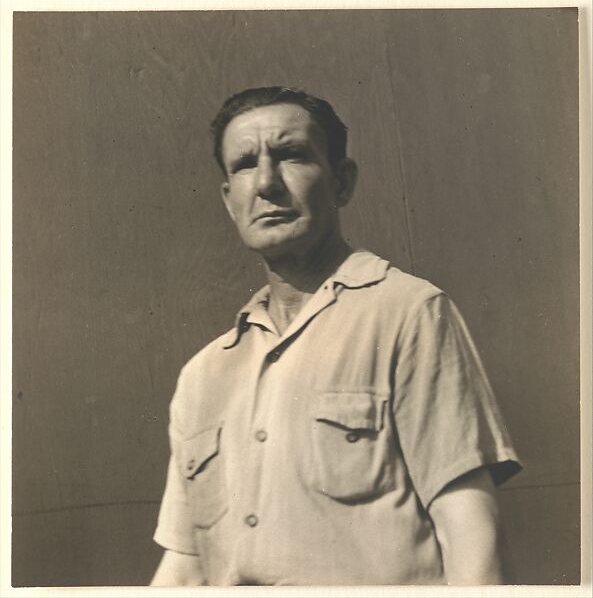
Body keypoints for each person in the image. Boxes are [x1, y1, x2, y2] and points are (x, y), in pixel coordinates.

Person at [150, 86, 522, 586]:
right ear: (228, 201)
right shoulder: (202, 375)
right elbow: (182, 571)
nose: (266, 183)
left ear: (342, 182)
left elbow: (471, 535)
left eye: (292, 156)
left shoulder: (408, 313)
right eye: (243, 165)